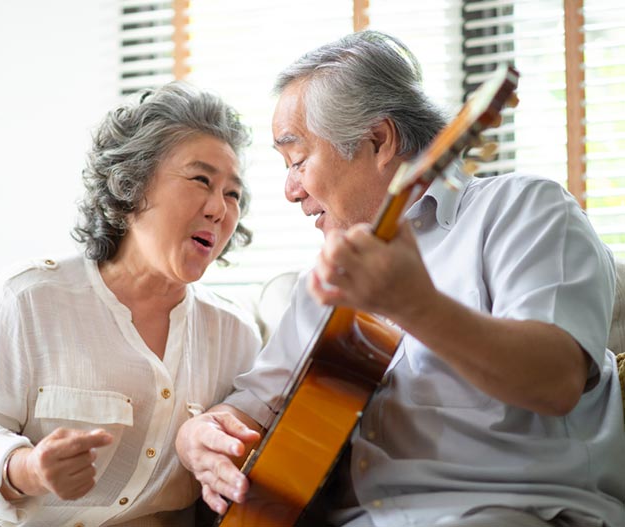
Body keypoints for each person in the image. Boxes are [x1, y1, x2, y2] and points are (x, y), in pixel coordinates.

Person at [176, 30, 625, 527]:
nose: (290, 191)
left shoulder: (525, 210)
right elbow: (254, 406)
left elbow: (555, 380)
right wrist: (200, 436)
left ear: (378, 140)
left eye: (299, 161)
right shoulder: (326, 279)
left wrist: (417, 306)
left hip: (516, 512)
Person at [0, 81, 262, 527]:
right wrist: (29, 469)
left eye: (233, 195)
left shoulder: (234, 334)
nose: (219, 209)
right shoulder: (30, 297)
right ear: (131, 186)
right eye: (201, 180)